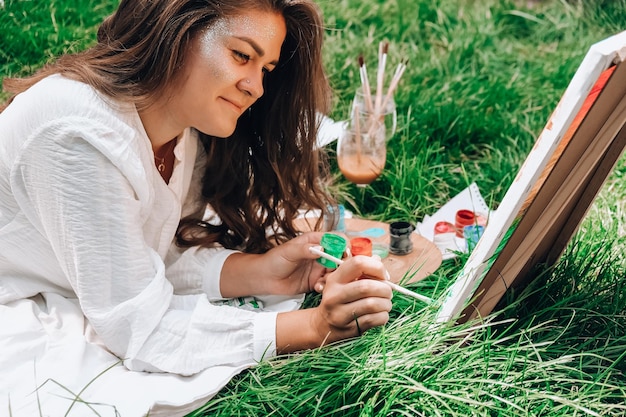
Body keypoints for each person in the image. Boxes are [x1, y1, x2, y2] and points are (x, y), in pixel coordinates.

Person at [0, 0, 393, 412]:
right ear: (175, 33)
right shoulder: (80, 136)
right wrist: (311, 328)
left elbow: (153, 251)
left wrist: (265, 273)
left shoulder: (179, 130)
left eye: (266, 70)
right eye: (242, 55)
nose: (256, 87)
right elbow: (140, 330)